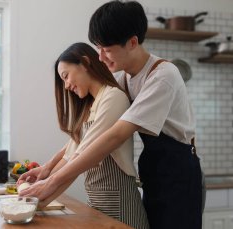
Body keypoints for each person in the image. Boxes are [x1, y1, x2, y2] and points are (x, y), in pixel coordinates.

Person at [18, 1, 202, 229]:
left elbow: (115, 135)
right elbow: (87, 135)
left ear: (132, 42)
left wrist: (53, 181)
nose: (101, 57)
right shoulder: (123, 80)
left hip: (180, 172)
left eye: (106, 49)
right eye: (98, 49)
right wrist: (48, 168)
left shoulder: (163, 76)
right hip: (154, 171)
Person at [17, 42, 149, 228]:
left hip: (119, 202)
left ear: (85, 63)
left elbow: (81, 157)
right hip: (97, 201)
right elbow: (72, 150)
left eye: (66, 76)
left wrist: (42, 195)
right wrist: (45, 172)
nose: (66, 86)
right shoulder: (92, 105)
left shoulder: (113, 98)